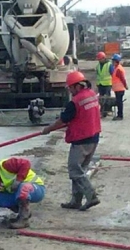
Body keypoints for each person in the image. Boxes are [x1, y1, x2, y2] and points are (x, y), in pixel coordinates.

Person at [42, 70, 101, 211]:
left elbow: (63, 120)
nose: (69, 90)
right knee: (80, 169)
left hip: (81, 140)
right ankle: (76, 200)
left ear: (77, 86)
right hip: (94, 137)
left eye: (70, 87)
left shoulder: (75, 102)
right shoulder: (92, 95)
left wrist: (48, 129)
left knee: (75, 170)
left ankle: (91, 196)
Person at [0, 153, 46, 229]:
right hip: (21, 193)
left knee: (23, 187)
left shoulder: (6, 165)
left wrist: (18, 180)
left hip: (36, 188)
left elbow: (25, 163)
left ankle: (24, 220)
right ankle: (23, 213)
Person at [95, 51, 114, 117]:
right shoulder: (98, 66)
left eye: (100, 59)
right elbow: (97, 75)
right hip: (100, 84)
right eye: (98, 59)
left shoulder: (109, 65)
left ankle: (108, 110)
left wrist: (113, 84)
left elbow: (113, 74)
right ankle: (103, 111)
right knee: (101, 99)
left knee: (107, 98)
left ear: (104, 58)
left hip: (107, 84)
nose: (99, 60)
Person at [111, 53, 128, 121]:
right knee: (119, 102)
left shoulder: (118, 69)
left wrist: (125, 85)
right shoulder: (117, 68)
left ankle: (120, 115)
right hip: (118, 89)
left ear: (116, 61)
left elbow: (122, 78)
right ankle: (119, 115)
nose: (112, 62)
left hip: (119, 89)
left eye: (113, 61)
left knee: (119, 103)